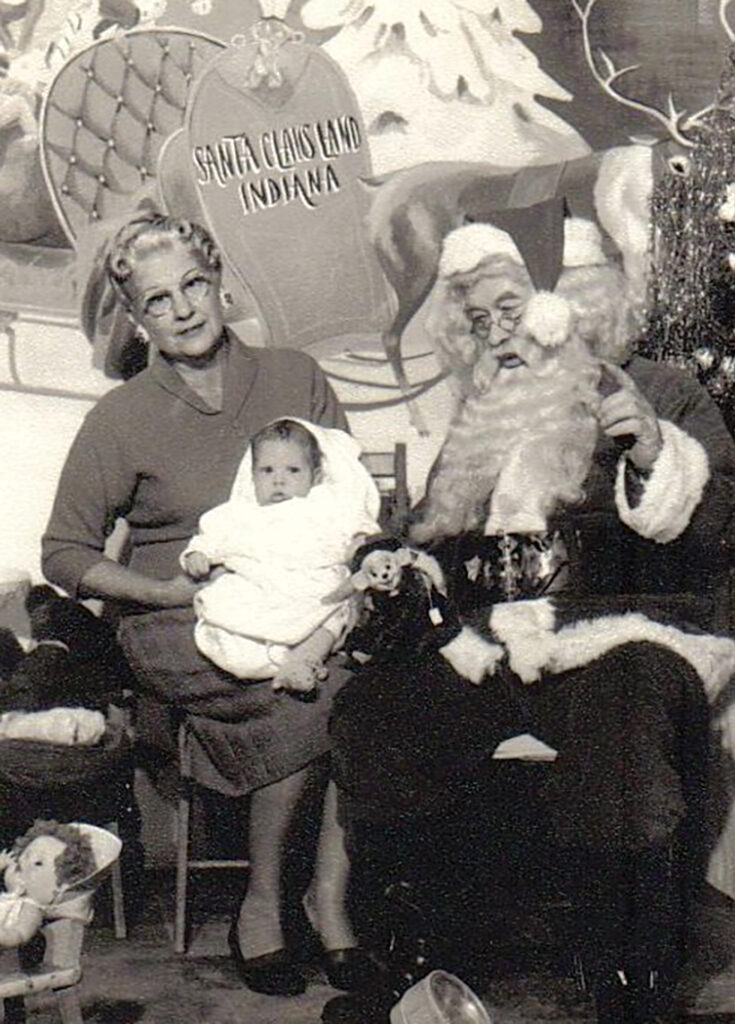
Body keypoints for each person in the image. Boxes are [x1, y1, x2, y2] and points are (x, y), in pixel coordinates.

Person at [323, 214, 735, 1024]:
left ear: (567, 305)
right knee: (379, 712)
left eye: (512, 310)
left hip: (631, 634)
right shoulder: (483, 413)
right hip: (497, 650)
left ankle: (629, 979)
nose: (500, 336)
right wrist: (395, 559)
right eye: (481, 319)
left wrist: (651, 455)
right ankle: (424, 967)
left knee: (620, 725)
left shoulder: (661, 389)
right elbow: (437, 536)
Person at [41, 212, 375, 996]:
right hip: (176, 622)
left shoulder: (296, 378)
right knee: (311, 702)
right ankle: (266, 905)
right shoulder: (119, 419)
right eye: (158, 300)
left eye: (193, 284)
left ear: (220, 278)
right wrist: (157, 589)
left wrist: (340, 603)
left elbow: (351, 502)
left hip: (299, 602)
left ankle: (327, 901)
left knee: (360, 685)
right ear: (136, 315)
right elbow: (63, 553)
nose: (184, 309)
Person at [181, 417, 380, 685]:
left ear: (316, 476)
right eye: (267, 471)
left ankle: (306, 659)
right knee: (226, 614)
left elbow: (358, 525)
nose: (279, 480)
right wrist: (197, 555)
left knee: (337, 609)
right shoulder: (239, 513)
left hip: (312, 591)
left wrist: (359, 542)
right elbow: (208, 536)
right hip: (258, 589)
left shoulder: (325, 506)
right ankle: (267, 659)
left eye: (293, 471)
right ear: (252, 477)